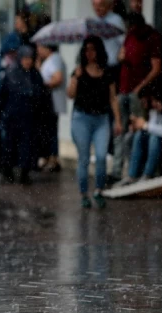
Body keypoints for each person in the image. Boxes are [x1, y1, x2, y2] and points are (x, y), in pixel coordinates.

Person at [67, 36, 123, 209]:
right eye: (87, 49)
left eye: (93, 49)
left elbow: (113, 98)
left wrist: (118, 121)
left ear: (99, 51)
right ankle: (84, 193)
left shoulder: (107, 73)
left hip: (101, 119)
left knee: (101, 156)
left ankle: (98, 190)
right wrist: (76, 78)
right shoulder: (79, 71)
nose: (90, 53)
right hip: (81, 118)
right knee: (83, 158)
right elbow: (70, 95)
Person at [110, 12, 161, 183]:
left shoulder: (151, 37)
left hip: (137, 92)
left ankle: (135, 171)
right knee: (120, 131)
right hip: (123, 88)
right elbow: (121, 56)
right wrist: (121, 57)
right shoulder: (129, 36)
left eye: (130, 27)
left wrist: (141, 87)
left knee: (136, 132)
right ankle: (119, 170)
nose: (129, 30)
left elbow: (156, 67)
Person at [0, 46, 50, 185]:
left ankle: (25, 172)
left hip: (30, 117)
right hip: (13, 116)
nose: (27, 61)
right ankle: (8, 171)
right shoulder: (11, 74)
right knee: (10, 145)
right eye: (25, 58)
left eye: (30, 59)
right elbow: (2, 96)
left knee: (27, 146)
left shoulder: (35, 75)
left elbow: (41, 95)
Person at [115, 88, 162, 186]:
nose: (155, 104)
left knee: (154, 137)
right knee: (138, 135)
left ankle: (147, 174)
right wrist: (138, 125)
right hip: (153, 141)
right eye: (153, 101)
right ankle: (132, 175)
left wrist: (145, 125)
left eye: (157, 101)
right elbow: (149, 127)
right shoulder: (153, 111)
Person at [37, 44, 66, 172]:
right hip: (47, 103)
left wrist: (42, 84)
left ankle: (53, 159)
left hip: (52, 102)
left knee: (51, 130)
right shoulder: (48, 61)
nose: (38, 50)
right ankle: (49, 157)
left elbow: (57, 78)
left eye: (40, 47)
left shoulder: (55, 59)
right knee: (47, 130)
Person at [93, 0, 125, 68]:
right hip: (98, 66)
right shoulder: (94, 21)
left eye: (100, 5)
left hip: (112, 65)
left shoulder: (116, 20)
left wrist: (120, 56)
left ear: (107, 5)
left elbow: (124, 42)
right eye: (94, 5)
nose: (97, 8)